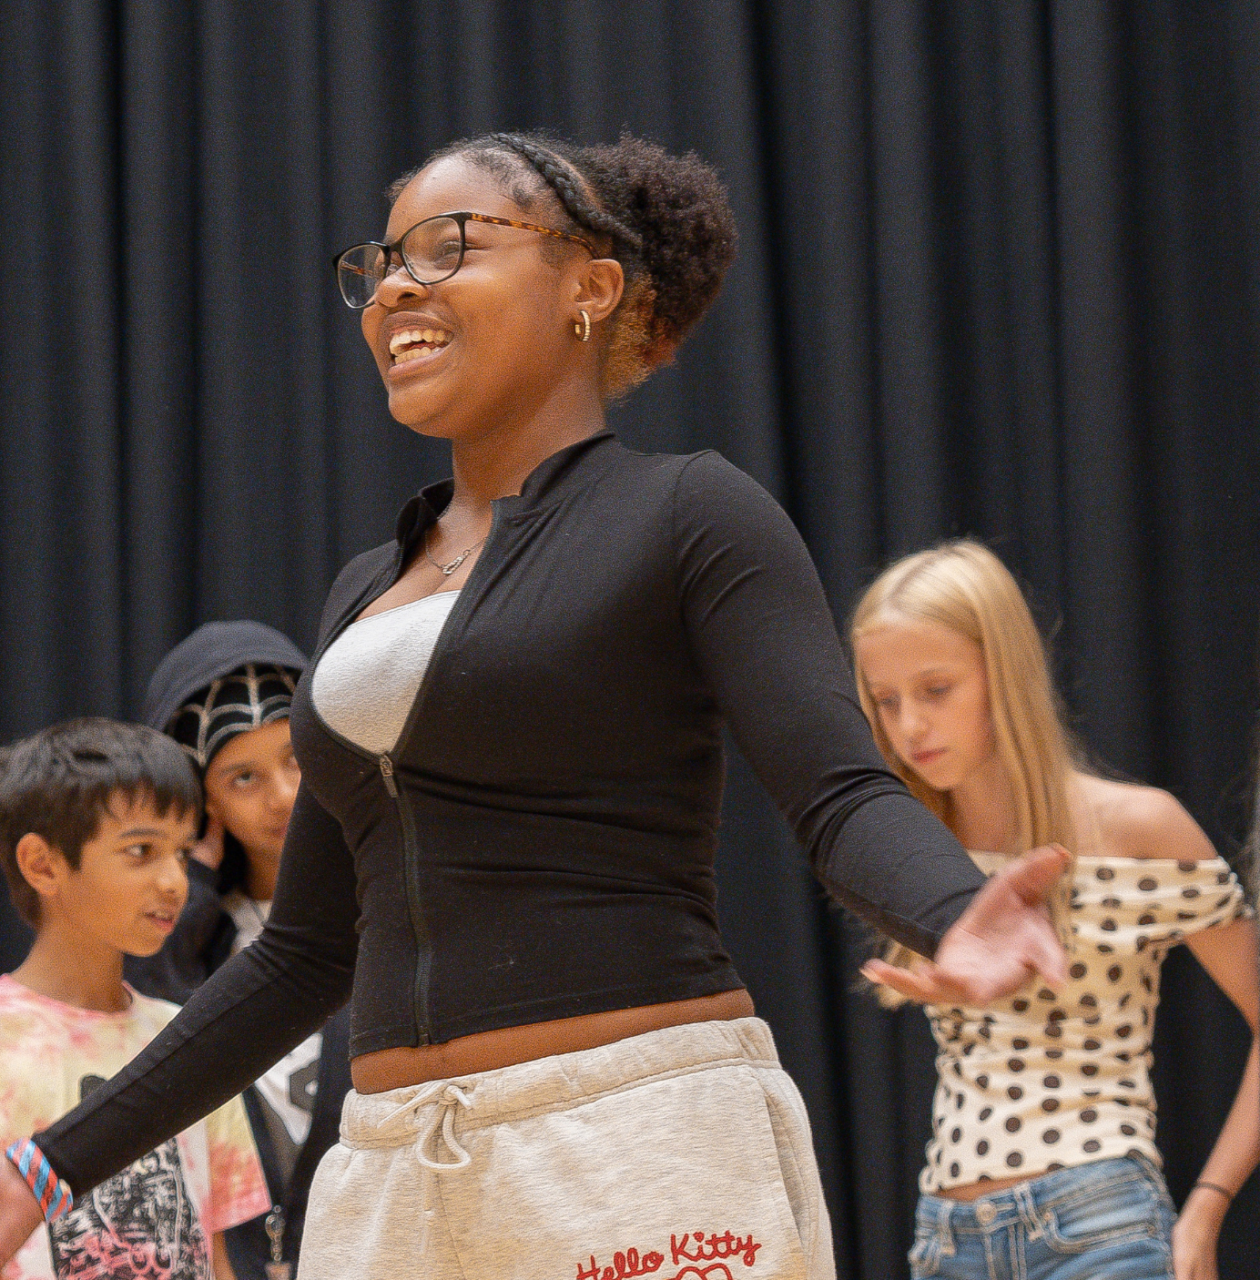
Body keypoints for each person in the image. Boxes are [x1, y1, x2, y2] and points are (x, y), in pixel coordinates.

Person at [1, 132, 1069, 1280]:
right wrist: (47, 1164)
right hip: (392, 1175)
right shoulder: (364, 587)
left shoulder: (690, 512)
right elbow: (306, 951)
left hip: (635, 1137)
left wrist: (956, 908)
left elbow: (841, 788)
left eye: (450, 245)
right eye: (382, 261)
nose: (397, 286)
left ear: (590, 287)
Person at [850, 541, 1259, 1280]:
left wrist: (1206, 1207)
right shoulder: (913, 848)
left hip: (1099, 1219)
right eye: (886, 699)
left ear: (1002, 673)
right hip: (945, 1238)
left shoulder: (1142, 829)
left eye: (936, 689)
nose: (910, 726)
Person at [0, 719, 270, 1280]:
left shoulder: (192, 1040)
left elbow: (218, 1253)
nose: (175, 881)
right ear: (42, 864)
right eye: (142, 850)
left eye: (182, 850)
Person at [124, 622, 352, 1280]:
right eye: (244, 776)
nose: (283, 794)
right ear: (203, 798)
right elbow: (149, 1055)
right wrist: (188, 882)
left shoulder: (391, 911)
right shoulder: (187, 941)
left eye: (295, 757)